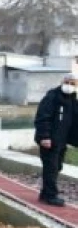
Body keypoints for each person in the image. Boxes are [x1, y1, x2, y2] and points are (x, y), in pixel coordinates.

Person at [33, 74, 77, 207]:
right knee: (51, 167)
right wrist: (44, 137)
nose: (69, 85)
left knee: (56, 166)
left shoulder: (72, 100)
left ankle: (45, 193)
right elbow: (42, 118)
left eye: (72, 83)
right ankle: (51, 196)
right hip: (50, 140)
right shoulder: (52, 97)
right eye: (67, 82)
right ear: (62, 82)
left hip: (62, 141)